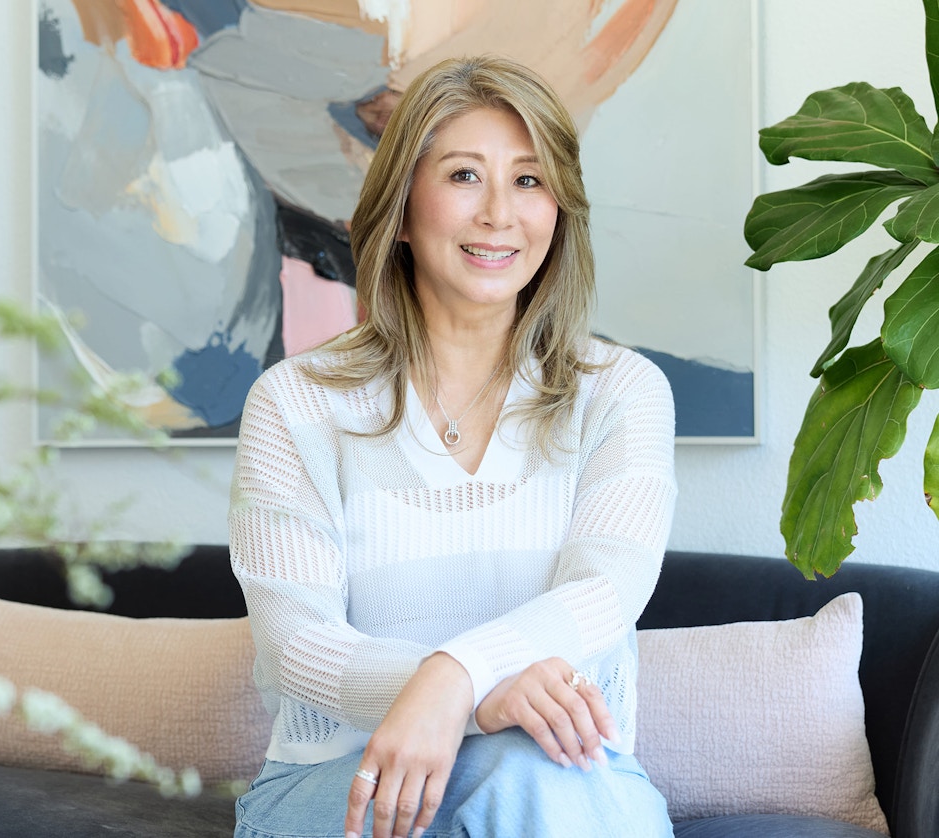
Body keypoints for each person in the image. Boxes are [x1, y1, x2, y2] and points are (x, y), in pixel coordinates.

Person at [228, 55, 677, 838]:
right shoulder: (295, 404)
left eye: (530, 181)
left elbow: (606, 590)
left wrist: (456, 675)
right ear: (401, 208)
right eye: (465, 175)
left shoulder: (623, 393)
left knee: (525, 775)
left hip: (565, 784)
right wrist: (468, 693)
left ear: (560, 212)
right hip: (342, 782)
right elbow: (295, 638)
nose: (500, 213)